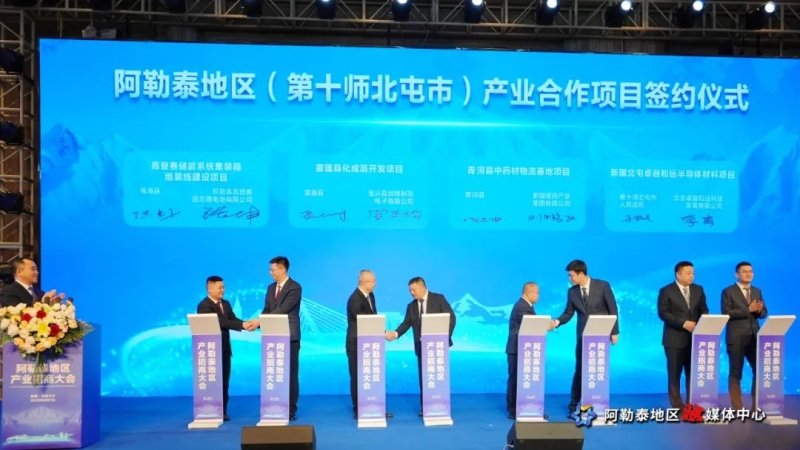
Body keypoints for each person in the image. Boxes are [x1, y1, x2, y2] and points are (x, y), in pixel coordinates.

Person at [549, 259, 619, 415]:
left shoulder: (602, 286)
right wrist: (556, 322)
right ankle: (574, 403)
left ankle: (598, 404)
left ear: (581, 273)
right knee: (580, 369)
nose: (570, 279)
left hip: (600, 336)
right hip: (582, 337)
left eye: (572, 275)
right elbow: (568, 313)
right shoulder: (572, 292)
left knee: (598, 370)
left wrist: (614, 332)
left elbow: (612, 308)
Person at [385, 277, 456, 417]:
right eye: (410, 290)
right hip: (421, 348)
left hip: (438, 348)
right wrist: (395, 333)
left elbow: (451, 318)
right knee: (425, 378)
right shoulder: (411, 306)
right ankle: (426, 407)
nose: (411, 293)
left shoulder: (439, 299)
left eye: (414, 289)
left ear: (422, 287)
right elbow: (406, 324)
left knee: (439, 377)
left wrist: (443, 337)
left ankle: (440, 406)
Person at [196, 275, 258, 421]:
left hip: (225, 350)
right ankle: (209, 410)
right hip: (210, 352)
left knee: (224, 382)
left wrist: (247, 324)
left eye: (223, 287)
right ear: (210, 289)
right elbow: (220, 322)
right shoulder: (204, 306)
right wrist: (241, 325)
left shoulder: (226, 304)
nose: (223, 290)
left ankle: (222, 411)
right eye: (220, 287)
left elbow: (232, 320)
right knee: (212, 382)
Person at [657, 261, 709, 409]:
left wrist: (702, 322)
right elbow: (663, 313)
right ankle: (677, 406)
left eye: (693, 273)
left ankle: (692, 403)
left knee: (693, 374)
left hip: (695, 339)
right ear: (678, 274)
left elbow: (704, 309)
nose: (692, 276)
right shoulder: (666, 290)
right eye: (688, 273)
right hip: (674, 339)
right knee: (675, 374)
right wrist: (684, 323)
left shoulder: (698, 289)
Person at [345, 270, 393, 419]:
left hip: (370, 344)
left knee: (372, 376)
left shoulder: (370, 295)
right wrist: (384, 333)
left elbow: (373, 319)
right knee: (358, 377)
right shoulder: (355, 300)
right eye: (374, 281)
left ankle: (375, 407)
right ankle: (359, 410)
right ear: (365, 282)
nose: (376, 283)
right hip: (356, 344)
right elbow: (366, 323)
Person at [721, 262, 767, 411]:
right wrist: (748, 309)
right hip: (736, 338)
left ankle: (756, 406)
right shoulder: (728, 291)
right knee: (736, 373)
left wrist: (759, 311)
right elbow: (726, 313)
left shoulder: (757, 291)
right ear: (737, 274)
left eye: (751, 271)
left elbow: (763, 312)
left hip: (754, 337)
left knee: (759, 371)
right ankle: (738, 408)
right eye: (745, 271)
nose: (749, 274)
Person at [261, 256, 302, 421]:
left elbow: (283, 309)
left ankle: (290, 408)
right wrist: (258, 322)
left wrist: (260, 321)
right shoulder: (271, 288)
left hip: (290, 336)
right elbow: (267, 309)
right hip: (273, 336)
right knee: (274, 373)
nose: (270, 273)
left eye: (273, 270)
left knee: (290, 373)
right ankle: (273, 404)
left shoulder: (295, 287)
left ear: (283, 269)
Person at [505, 282, 539, 419]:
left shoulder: (526, 306)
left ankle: (524, 407)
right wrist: (548, 325)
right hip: (517, 349)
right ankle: (513, 409)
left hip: (523, 349)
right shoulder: (522, 306)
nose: (538, 296)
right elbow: (531, 324)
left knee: (520, 379)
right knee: (515, 379)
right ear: (529, 293)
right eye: (537, 293)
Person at [0, 257, 65, 308]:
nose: (37, 273)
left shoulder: (39, 292)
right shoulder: (8, 291)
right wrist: (43, 304)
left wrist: (51, 305)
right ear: (19, 272)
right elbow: (15, 315)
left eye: (37, 270)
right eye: (33, 269)